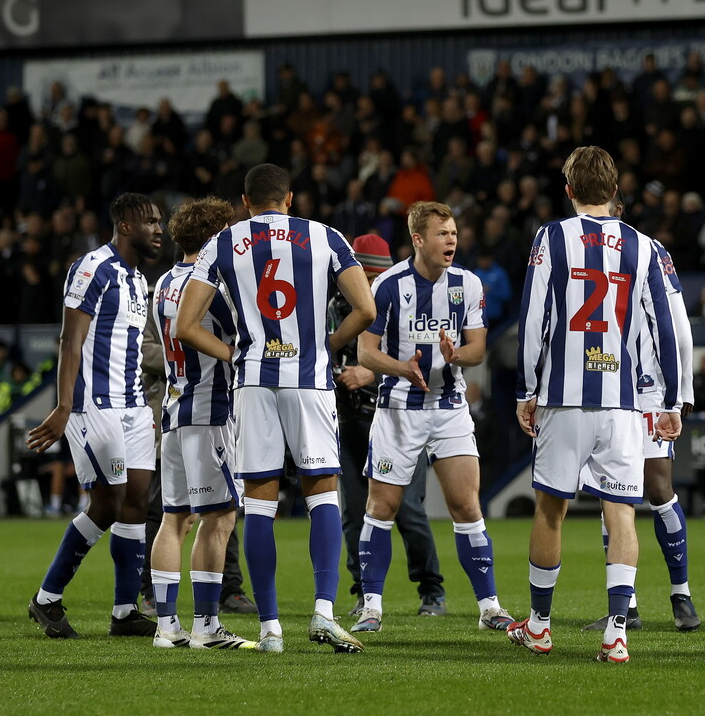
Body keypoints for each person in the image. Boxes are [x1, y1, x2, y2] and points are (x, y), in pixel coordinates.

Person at [175, 163, 375, 654]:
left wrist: (234, 354)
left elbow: (186, 325)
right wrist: (328, 345)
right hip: (308, 380)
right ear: (290, 198)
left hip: (254, 383)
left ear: (245, 203)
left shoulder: (222, 243)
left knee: (260, 505)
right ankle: (324, 612)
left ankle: (270, 630)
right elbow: (366, 309)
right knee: (322, 495)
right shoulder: (325, 236)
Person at [510, 145, 683, 664]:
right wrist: (671, 400)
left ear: (569, 191)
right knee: (622, 514)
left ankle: (540, 626)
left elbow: (533, 319)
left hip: (563, 399)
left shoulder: (551, 237)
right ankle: (616, 633)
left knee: (551, 510)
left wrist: (525, 391)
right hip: (623, 405)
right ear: (614, 191)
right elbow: (665, 327)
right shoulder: (643, 246)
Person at [351, 202, 514, 634]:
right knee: (381, 507)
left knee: (467, 505)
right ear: (418, 239)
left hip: (448, 408)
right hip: (398, 410)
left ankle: (490, 608)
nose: (452, 240)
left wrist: (455, 354)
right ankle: (371, 607)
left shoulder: (468, 284)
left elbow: (478, 348)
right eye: (442, 233)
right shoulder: (388, 285)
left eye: (454, 232)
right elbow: (365, 352)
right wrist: (402, 368)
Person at [26, 193, 164, 639]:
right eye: (150, 221)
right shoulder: (93, 268)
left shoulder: (138, 280)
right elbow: (71, 340)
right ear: (125, 226)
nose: (159, 229)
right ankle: (47, 598)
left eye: (159, 221)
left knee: (137, 502)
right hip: (94, 405)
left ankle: (125, 612)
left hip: (134, 405)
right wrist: (64, 407)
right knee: (108, 502)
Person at [582, 198, 699, 634]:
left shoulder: (648, 249)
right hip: (606, 385)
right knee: (610, 492)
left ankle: (681, 593)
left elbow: (677, 323)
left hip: (647, 389)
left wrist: (681, 389)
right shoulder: (576, 247)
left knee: (659, 488)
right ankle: (626, 604)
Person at [148, 196, 254, 650]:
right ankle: (207, 627)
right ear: (214, 238)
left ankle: (166, 627)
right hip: (211, 411)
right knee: (220, 516)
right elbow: (244, 337)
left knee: (174, 518)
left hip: (174, 409)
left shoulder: (163, 283)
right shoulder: (213, 284)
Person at [333, 233, 448, 619]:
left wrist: (370, 371)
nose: (369, 283)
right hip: (350, 420)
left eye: (375, 276)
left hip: (399, 417)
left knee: (409, 510)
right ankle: (363, 592)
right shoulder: (335, 305)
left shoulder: (405, 298)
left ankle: (432, 590)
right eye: (364, 275)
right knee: (354, 512)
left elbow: (420, 359)